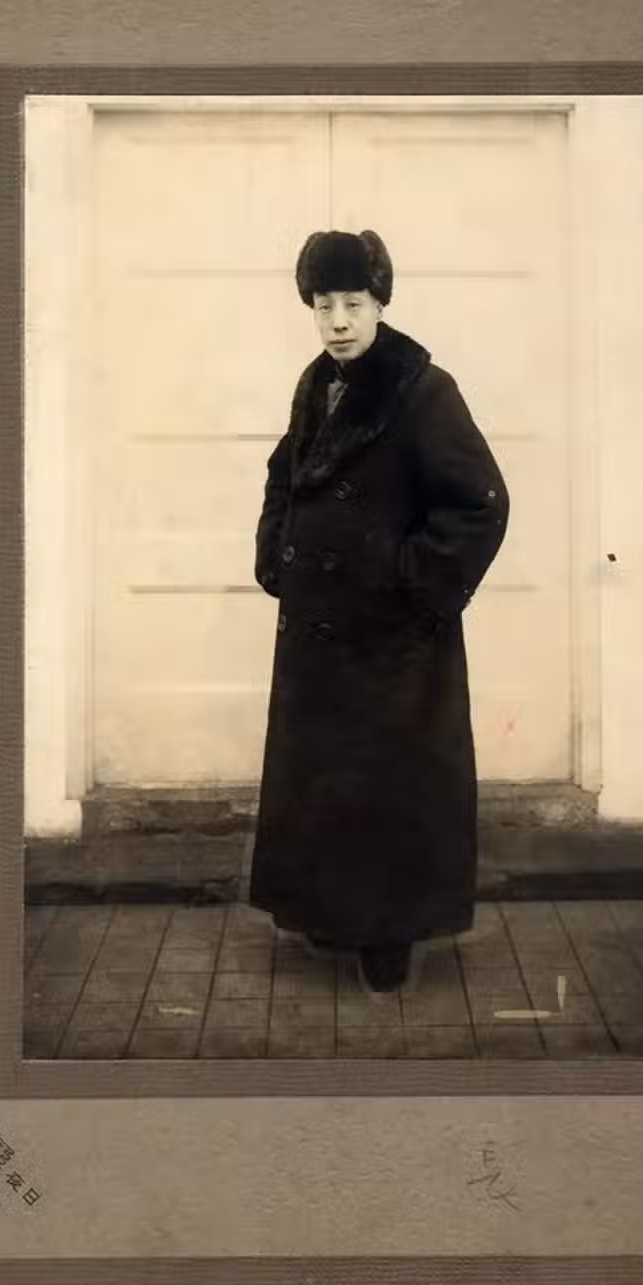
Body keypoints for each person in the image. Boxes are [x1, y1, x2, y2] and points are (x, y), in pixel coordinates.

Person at [247, 229, 510, 992]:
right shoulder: (316, 383)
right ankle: (330, 914)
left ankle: (389, 935)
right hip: (322, 633)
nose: (337, 322)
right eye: (324, 305)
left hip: (391, 642)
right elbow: (286, 474)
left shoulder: (422, 389)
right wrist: (276, 551)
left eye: (353, 304)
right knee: (325, 782)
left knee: (388, 789)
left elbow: (481, 504)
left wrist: (408, 580)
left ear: (381, 303)